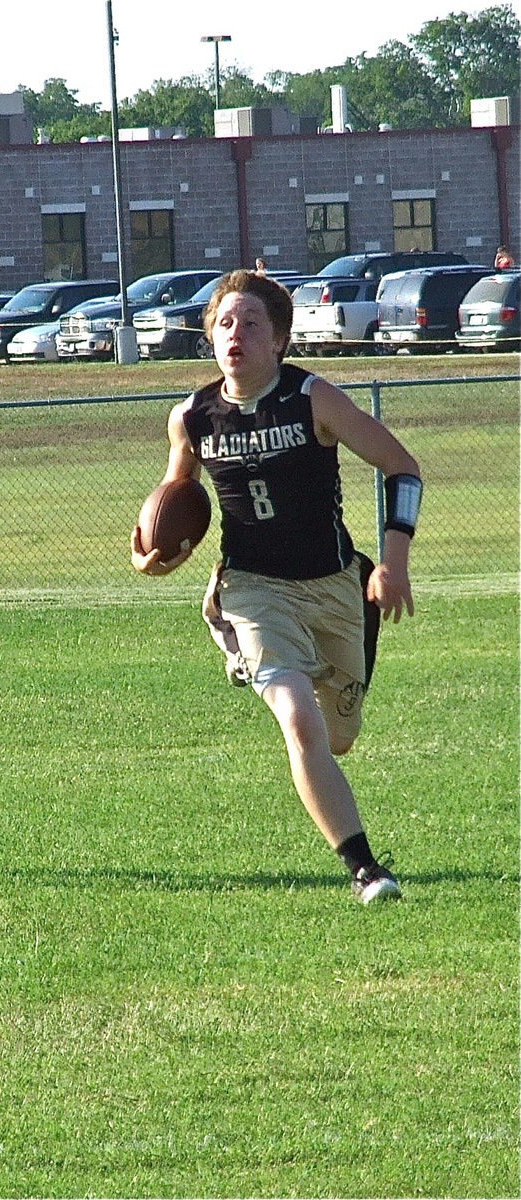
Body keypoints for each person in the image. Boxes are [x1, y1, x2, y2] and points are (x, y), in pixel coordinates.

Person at [131, 269, 422, 905]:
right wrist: (155, 556)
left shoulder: (314, 399)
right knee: (299, 723)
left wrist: (392, 562)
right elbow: (178, 502)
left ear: (281, 340)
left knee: (339, 735)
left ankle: (313, 660)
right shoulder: (191, 417)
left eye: (251, 324)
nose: (236, 335)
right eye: (225, 324)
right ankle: (367, 870)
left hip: (337, 587)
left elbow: (403, 467)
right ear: (210, 338)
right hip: (253, 586)